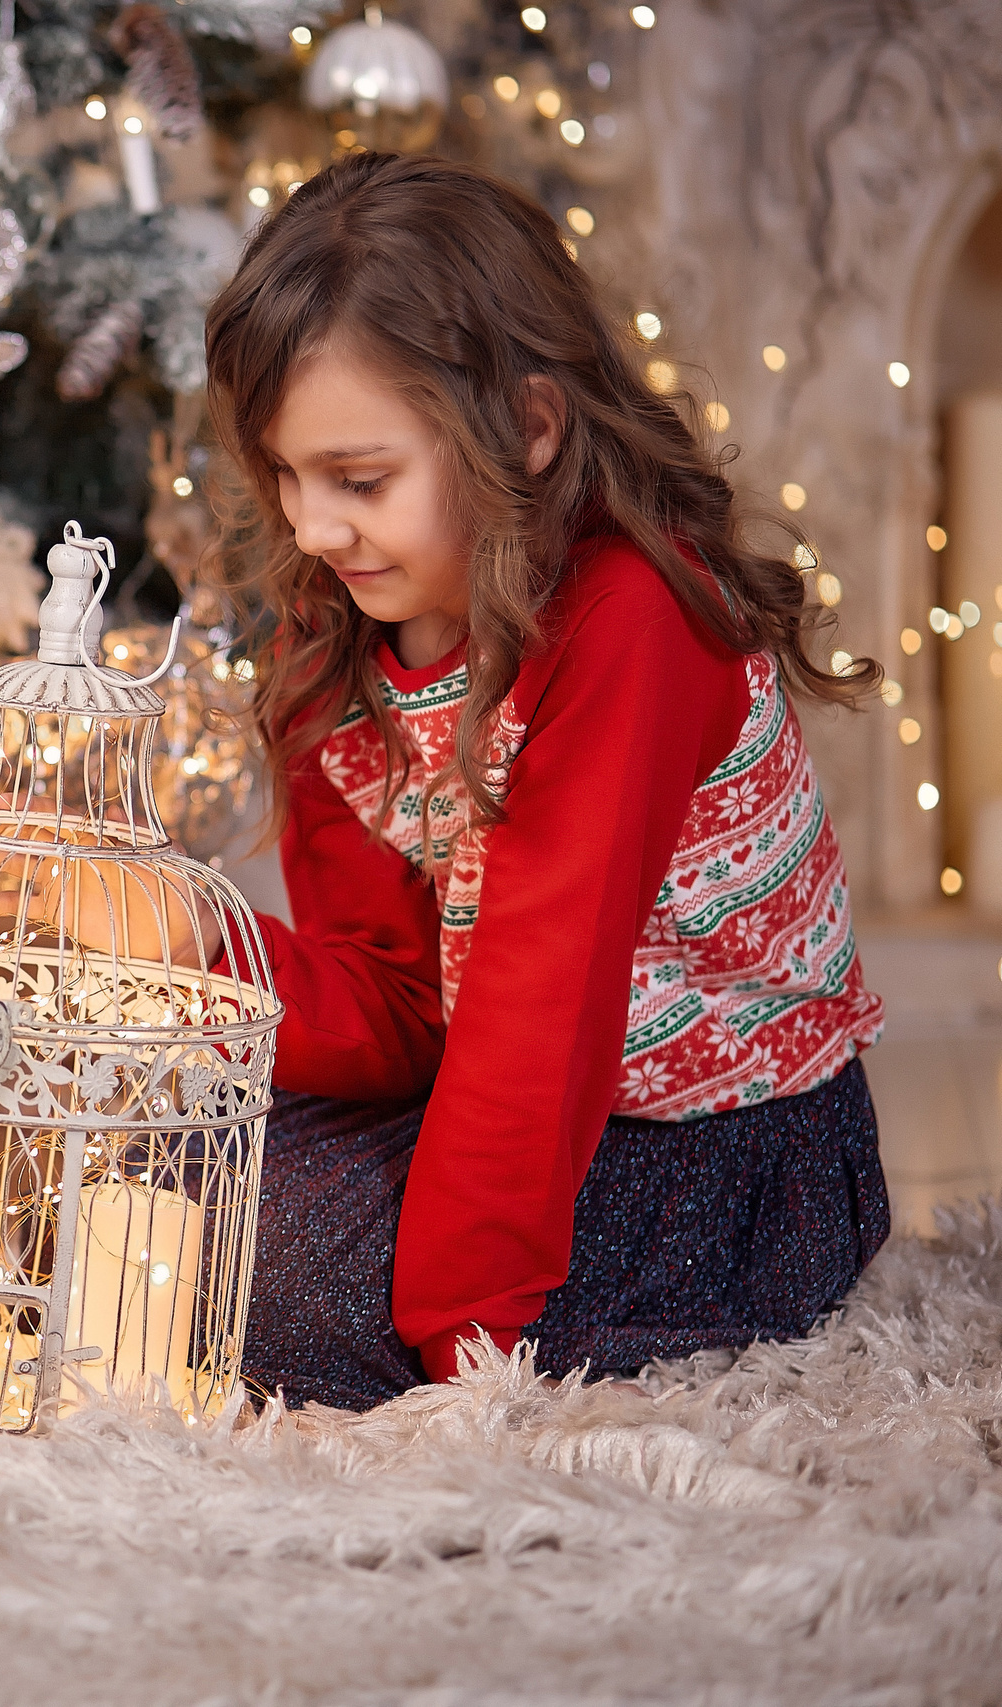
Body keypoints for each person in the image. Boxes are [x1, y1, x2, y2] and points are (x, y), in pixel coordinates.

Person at [200, 152, 888, 1409]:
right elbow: (407, 1010)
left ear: (525, 424)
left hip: (726, 1153)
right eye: (284, 476)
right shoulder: (326, 641)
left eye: (358, 481)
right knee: (165, 1186)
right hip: (505, 1099)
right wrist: (189, 943)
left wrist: (473, 1362)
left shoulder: (632, 618)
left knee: (250, 1272)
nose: (309, 528)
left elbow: (542, 1003)